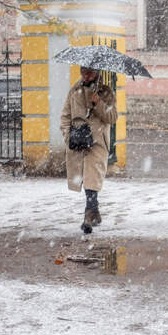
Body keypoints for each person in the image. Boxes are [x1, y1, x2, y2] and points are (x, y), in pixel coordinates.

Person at [60, 67, 118, 234]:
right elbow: (65, 116)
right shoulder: (74, 90)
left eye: (90, 73)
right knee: (84, 178)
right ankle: (95, 213)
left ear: (97, 73)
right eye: (83, 72)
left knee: (91, 177)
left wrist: (98, 103)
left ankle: (89, 215)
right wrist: (68, 135)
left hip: (97, 142)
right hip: (78, 141)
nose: (86, 76)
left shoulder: (105, 92)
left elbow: (112, 117)